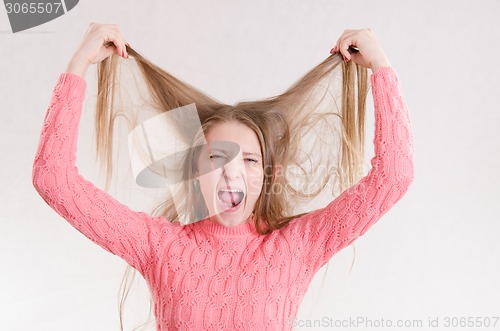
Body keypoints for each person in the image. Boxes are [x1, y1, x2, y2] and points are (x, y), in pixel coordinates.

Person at [32, 23, 414, 330]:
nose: (232, 171)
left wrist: (380, 66)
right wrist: (77, 65)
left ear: (268, 175)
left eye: (249, 160)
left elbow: (393, 177)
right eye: (217, 157)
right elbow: (53, 179)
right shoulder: (159, 247)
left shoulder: (297, 246)